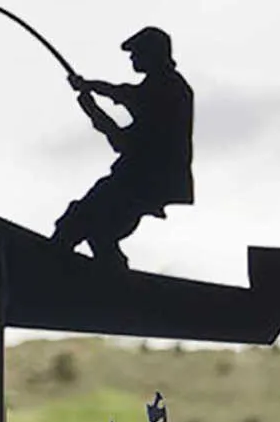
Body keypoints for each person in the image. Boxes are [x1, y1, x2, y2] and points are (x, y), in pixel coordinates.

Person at [51, 26, 193, 267]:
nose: (132, 58)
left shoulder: (169, 88)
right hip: (138, 179)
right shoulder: (160, 88)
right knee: (96, 230)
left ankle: (50, 266)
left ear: (153, 54)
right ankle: (110, 277)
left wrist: (91, 90)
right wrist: (92, 104)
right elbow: (121, 136)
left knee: (80, 221)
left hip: (143, 181)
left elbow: (128, 103)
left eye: (136, 53)